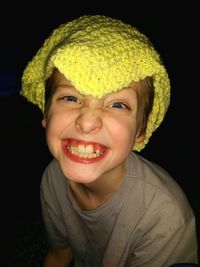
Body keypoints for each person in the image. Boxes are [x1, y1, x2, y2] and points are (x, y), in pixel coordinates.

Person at [21, 15, 198, 267]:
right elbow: (60, 254)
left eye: (117, 104)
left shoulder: (164, 218)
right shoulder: (52, 179)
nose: (87, 122)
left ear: (141, 132)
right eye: (70, 98)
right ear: (45, 114)